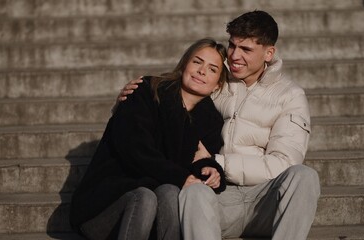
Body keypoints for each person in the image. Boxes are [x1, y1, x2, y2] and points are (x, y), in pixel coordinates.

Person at [119, 10, 321, 240]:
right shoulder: (215, 80)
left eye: (246, 49)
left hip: (264, 202)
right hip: (216, 200)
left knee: (304, 176)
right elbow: (173, 93)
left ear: (269, 53)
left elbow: (284, 164)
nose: (234, 56)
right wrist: (134, 96)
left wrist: (220, 162)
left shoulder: (290, 95)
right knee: (193, 190)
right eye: (232, 45)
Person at [69, 38, 229, 240]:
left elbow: (201, 159)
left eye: (212, 69)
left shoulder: (210, 120)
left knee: (170, 192)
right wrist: (181, 177)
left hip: (157, 213)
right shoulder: (147, 90)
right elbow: (135, 151)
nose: (202, 71)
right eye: (197, 62)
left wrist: (211, 171)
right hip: (105, 207)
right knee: (144, 196)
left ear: (218, 85)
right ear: (185, 64)